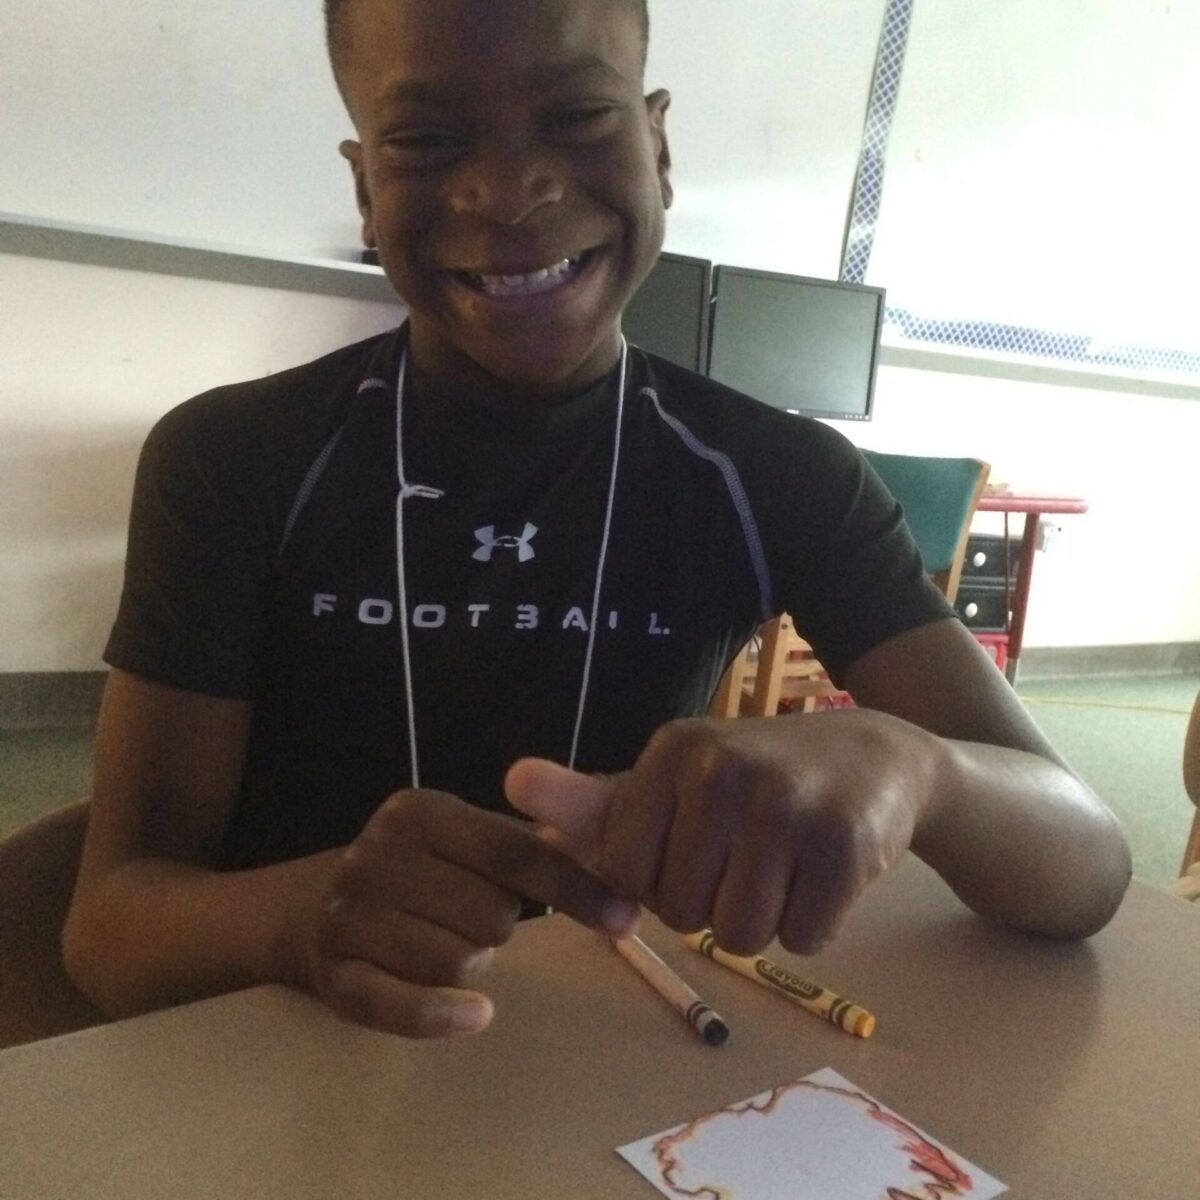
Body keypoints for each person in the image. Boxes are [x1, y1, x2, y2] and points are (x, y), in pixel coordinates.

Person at [63, 0, 1131, 1040]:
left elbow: (1087, 865)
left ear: (658, 147)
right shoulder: (234, 460)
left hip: (595, 1051)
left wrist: (916, 766)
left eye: (576, 116)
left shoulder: (776, 472)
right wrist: (296, 916)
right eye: (428, 139)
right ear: (365, 186)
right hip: (273, 1054)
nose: (509, 192)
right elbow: (108, 929)